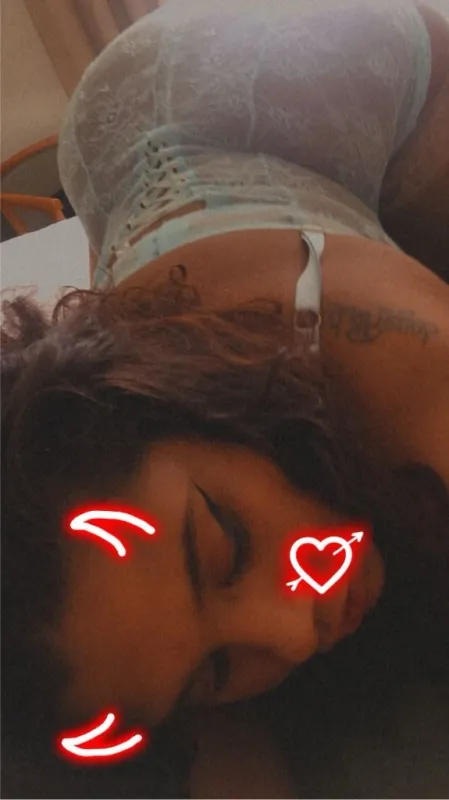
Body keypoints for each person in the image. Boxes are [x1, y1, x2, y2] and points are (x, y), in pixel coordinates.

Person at [2, 0, 449, 797]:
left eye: (228, 544)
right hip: (106, 159)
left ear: (173, 401)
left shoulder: (407, 373)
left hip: (285, 60)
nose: (294, 629)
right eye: (213, 671)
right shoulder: (133, 559)